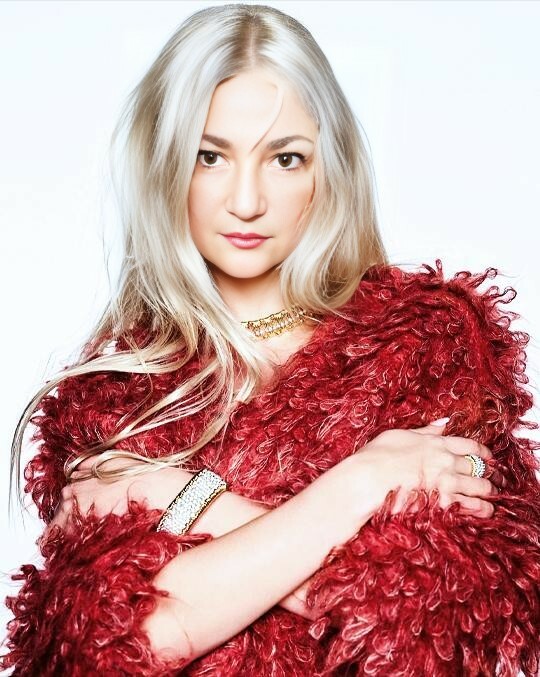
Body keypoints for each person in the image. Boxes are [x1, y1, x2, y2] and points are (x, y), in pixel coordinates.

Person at [1, 3, 539, 675]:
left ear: (327, 168)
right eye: (210, 157)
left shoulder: (425, 347)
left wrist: (176, 500)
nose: (247, 200)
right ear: (165, 165)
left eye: (285, 158)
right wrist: (365, 481)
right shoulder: (111, 401)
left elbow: (437, 619)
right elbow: (115, 640)